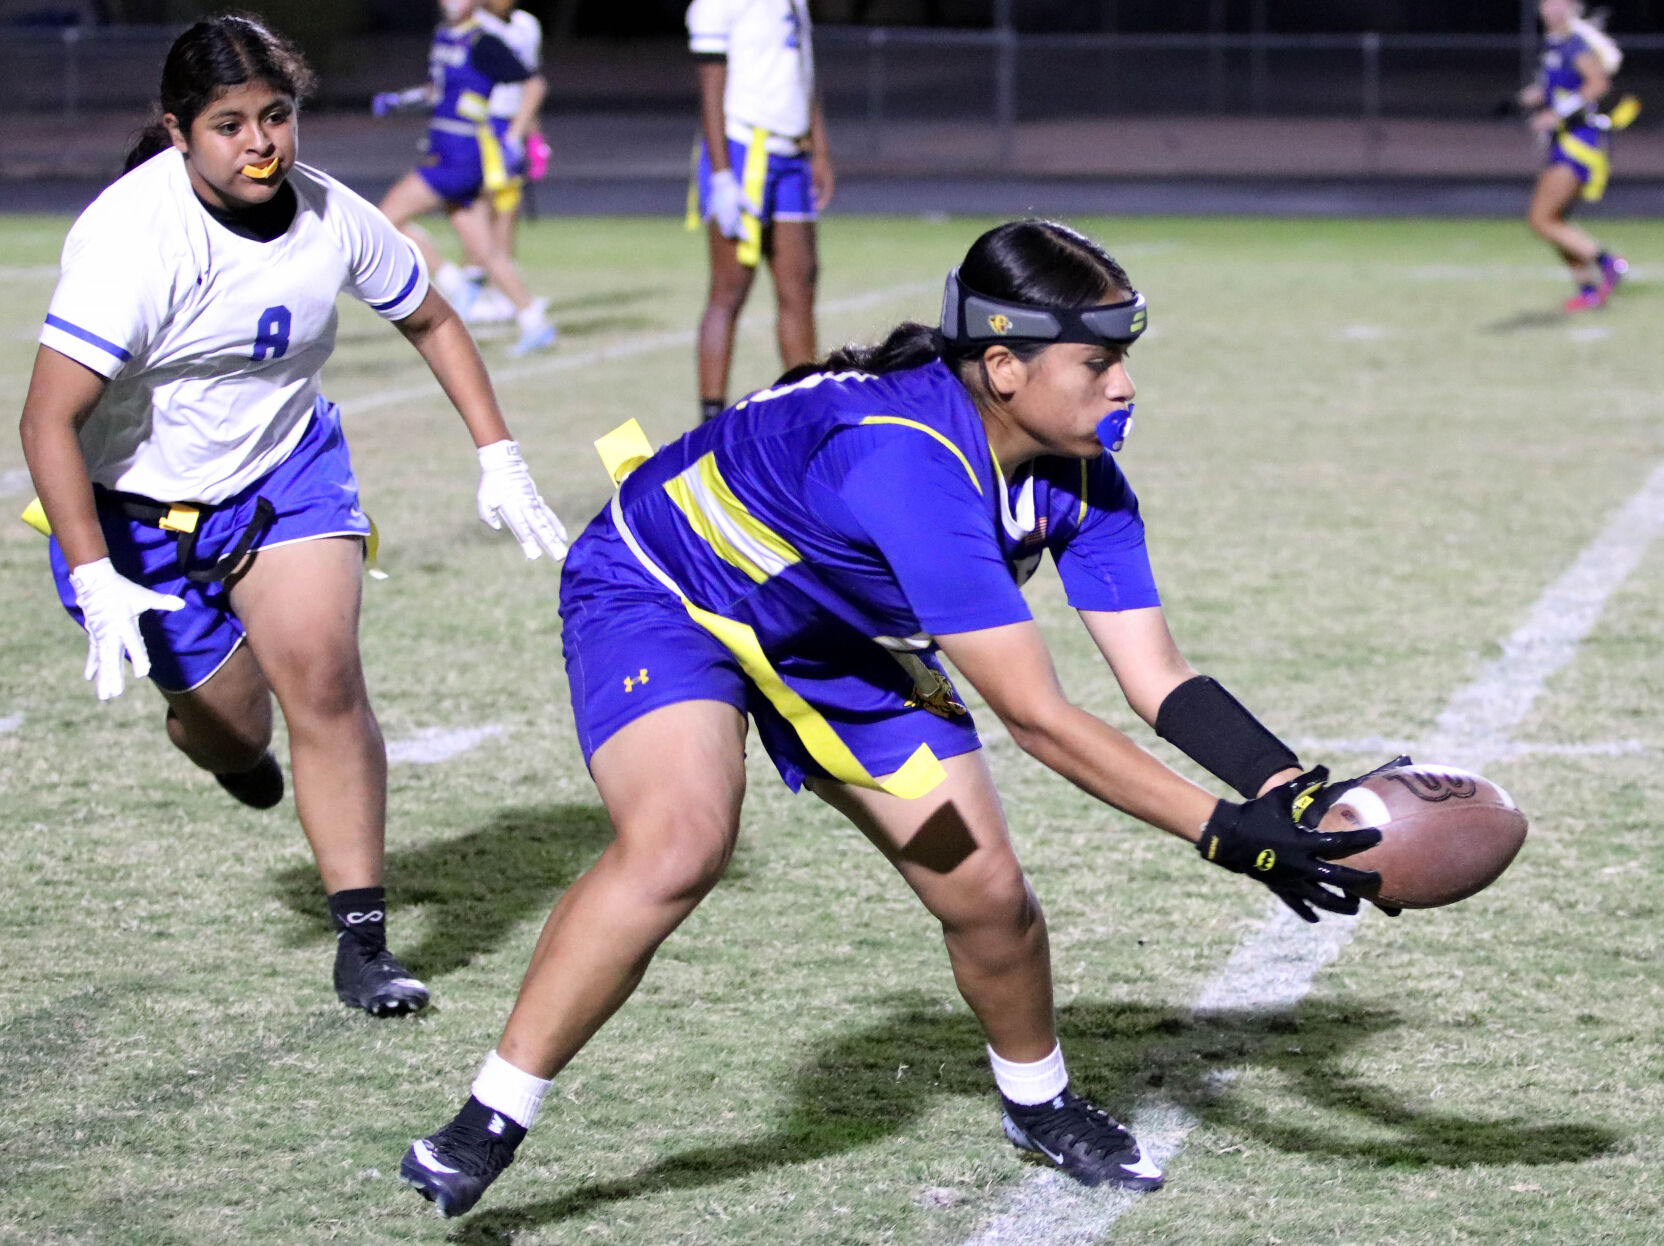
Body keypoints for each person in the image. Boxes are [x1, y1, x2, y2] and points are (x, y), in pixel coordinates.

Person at [399, 219, 1392, 1217]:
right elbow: (1036, 718)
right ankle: (491, 1114)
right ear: (1001, 365)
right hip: (669, 594)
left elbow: (1156, 675)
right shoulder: (907, 461)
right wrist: (1222, 835)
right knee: (679, 840)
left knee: (986, 888)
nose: (1123, 386)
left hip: (846, 652)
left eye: (1122, 361)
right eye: (1097, 362)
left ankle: (1036, 1101)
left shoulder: (1082, 478)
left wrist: (1279, 785)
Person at [17, 14, 568, 1020]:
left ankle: (364, 942)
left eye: (276, 115)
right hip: (138, 513)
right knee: (233, 730)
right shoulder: (129, 239)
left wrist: (500, 456)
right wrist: (96, 573)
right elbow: (48, 419)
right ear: (180, 131)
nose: (261, 142)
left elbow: (431, 315)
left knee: (323, 673)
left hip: (284, 478)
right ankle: (220, 741)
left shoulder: (331, 215)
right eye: (230, 123)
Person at [372, 0, 557, 356]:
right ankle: (534, 321)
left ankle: (455, 285)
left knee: (385, 219)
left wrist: (516, 137)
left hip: (461, 155)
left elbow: (534, 85)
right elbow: (437, 90)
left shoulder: (482, 41)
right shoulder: (444, 37)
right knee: (484, 249)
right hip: (445, 149)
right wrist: (400, 100)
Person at [686, 0, 834, 424]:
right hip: (742, 149)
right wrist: (720, 176)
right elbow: (710, 89)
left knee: (801, 283)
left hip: (792, 153)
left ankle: (805, 409)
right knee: (730, 289)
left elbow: (805, 73)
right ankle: (709, 418)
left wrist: (819, 147)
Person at [1518, 0, 1638, 311]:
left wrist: (1555, 112)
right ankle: (1588, 290)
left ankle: (1608, 262)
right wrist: (1534, 97)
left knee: (1541, 220)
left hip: (1579, 142)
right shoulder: (1555, 47)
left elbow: (1598, 84)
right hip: (1564, 140)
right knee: (1555, 220)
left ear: (1573, 7)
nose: (1551, 8)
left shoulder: (1575, 44)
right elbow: (1561, 87)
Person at [455, 0, 550, 327]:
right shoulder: (474, 26)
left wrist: (533, 136)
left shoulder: (527, 25)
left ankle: (499, 287)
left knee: (508, 207)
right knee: (480, 206)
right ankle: (474, 287)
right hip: (483, 125)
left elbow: (530, 83)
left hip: (514, 124)